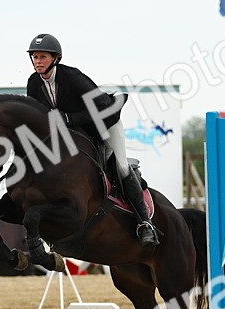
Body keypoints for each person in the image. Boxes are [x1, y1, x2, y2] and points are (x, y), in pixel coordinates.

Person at [24, 32, 158, 247]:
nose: (38, 61)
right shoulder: (33, 83)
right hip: (75, 133)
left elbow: (103, 108)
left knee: (121, 166)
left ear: (55, 58)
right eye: (35, 57)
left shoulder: (72, 78)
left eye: (43, 57)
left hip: (105, 124)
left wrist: (70, 118)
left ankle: (144, 223)